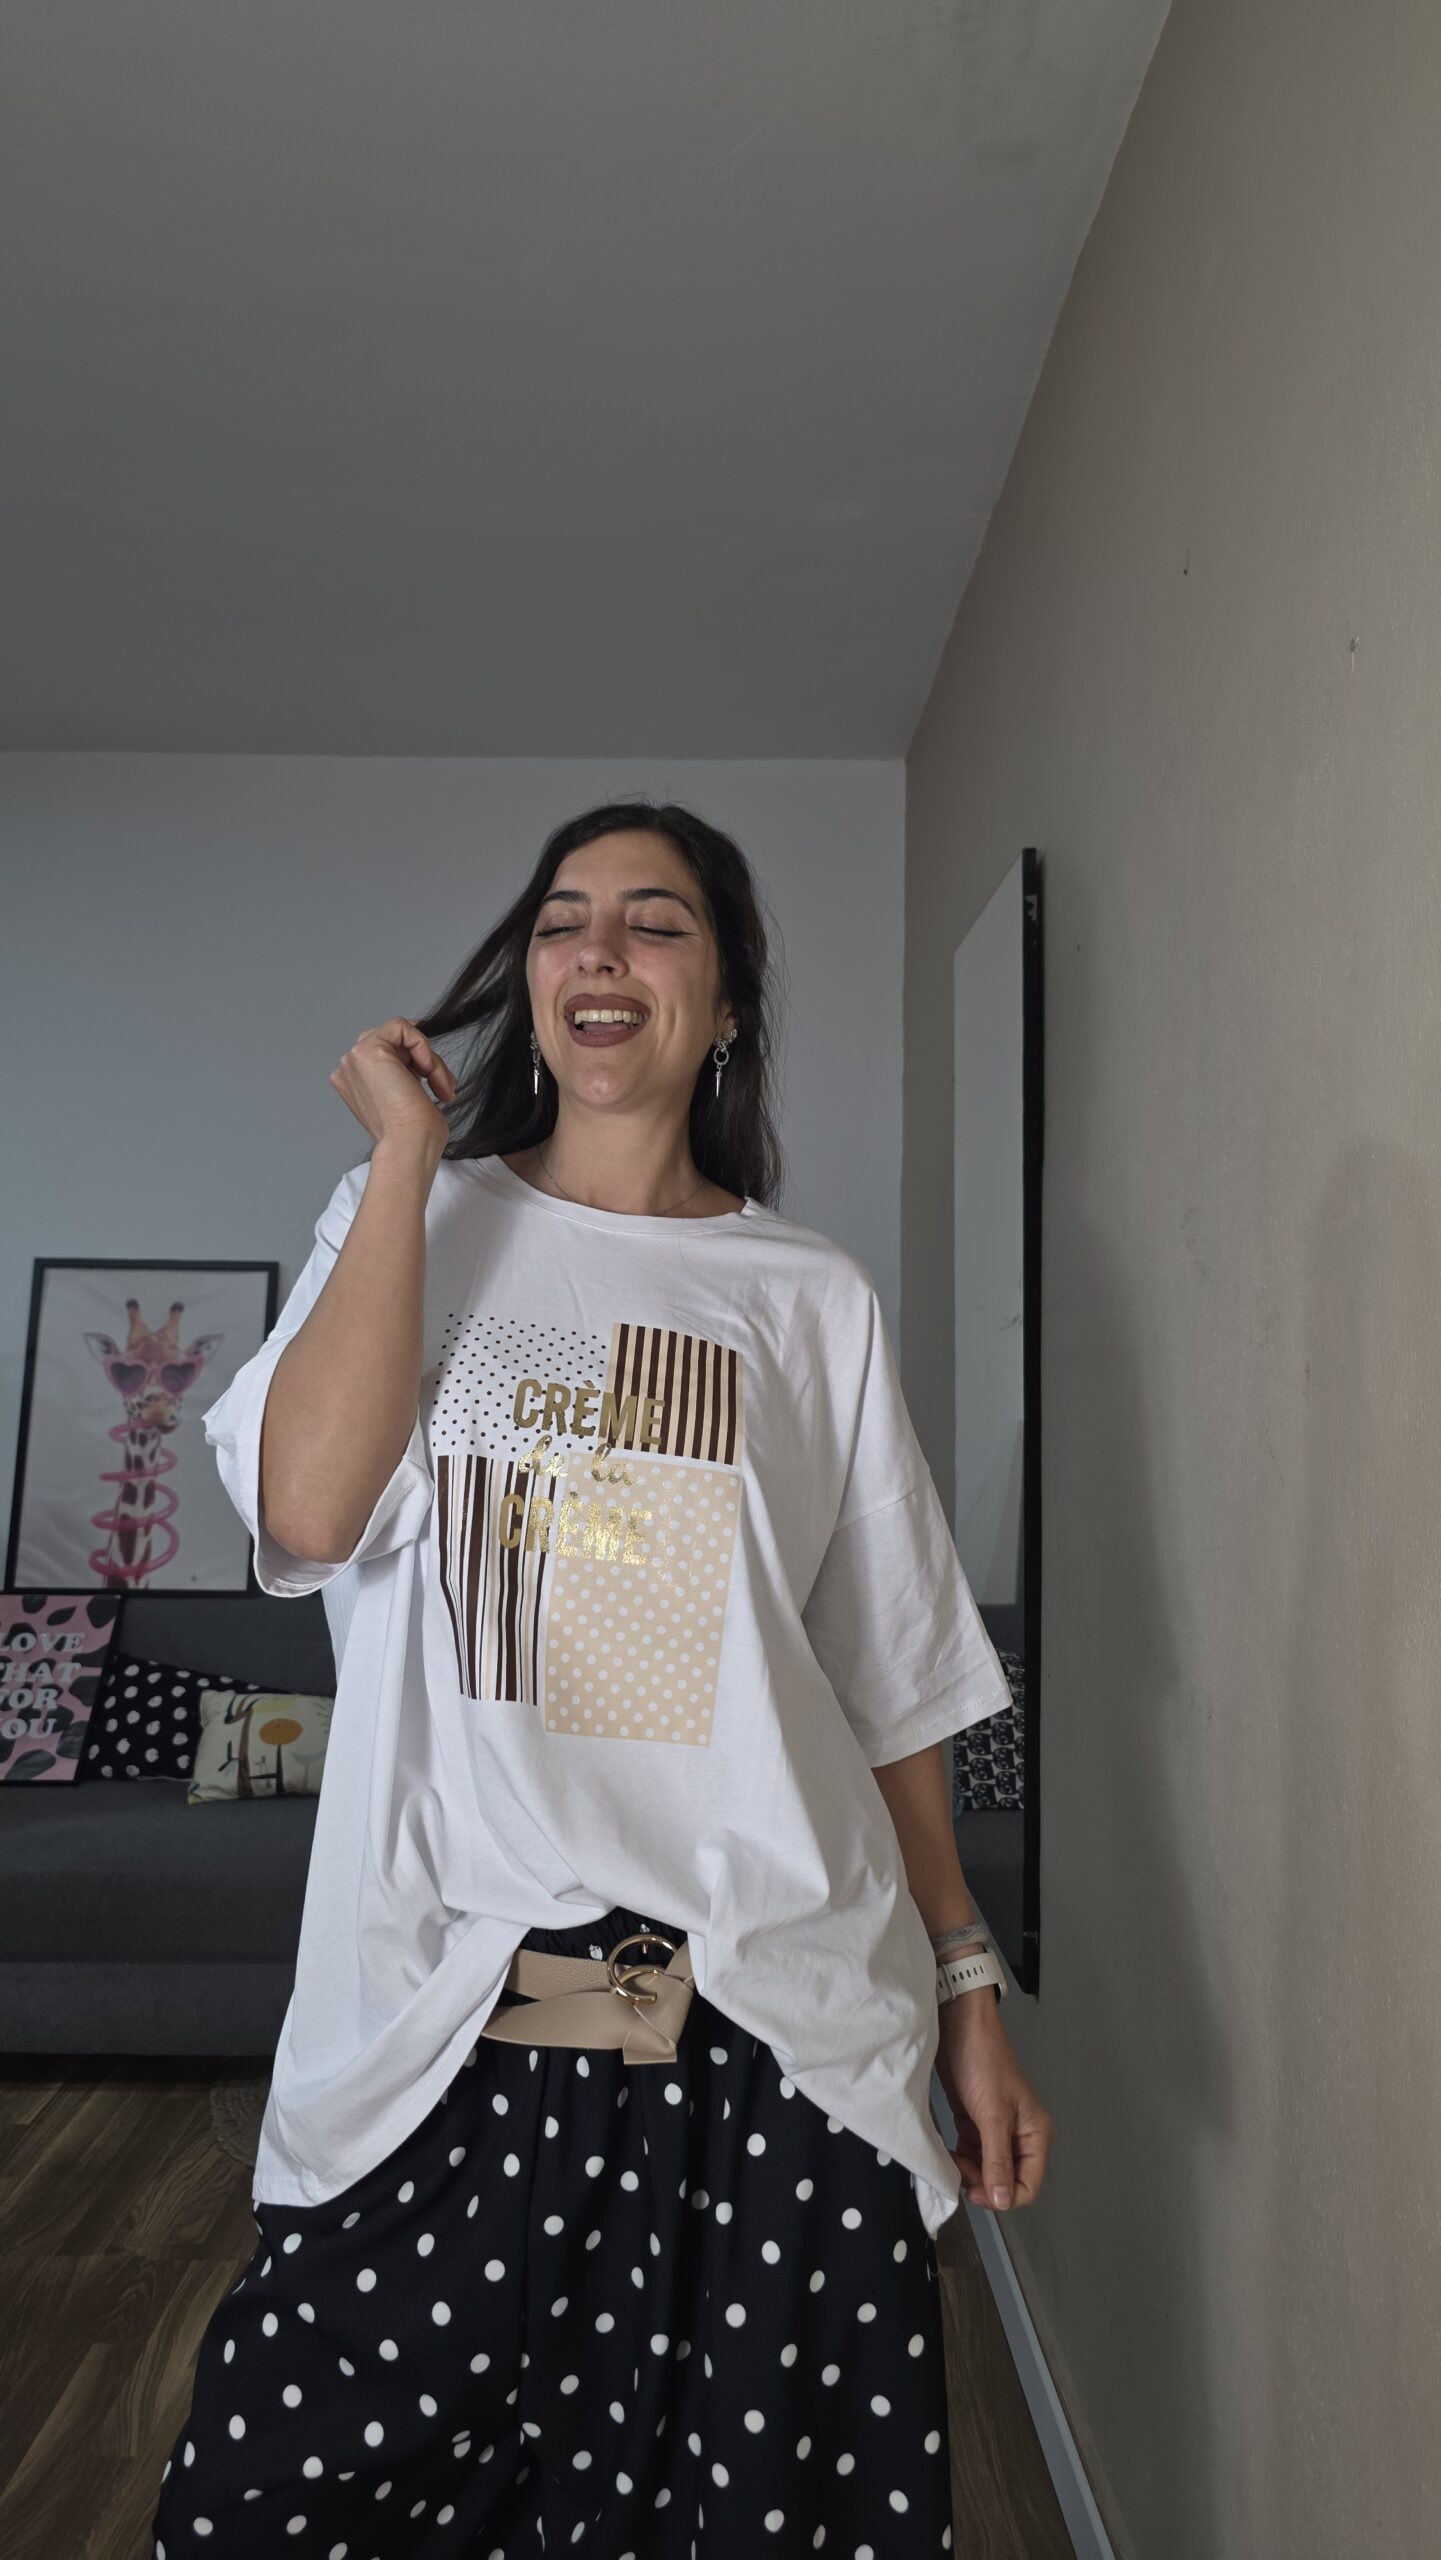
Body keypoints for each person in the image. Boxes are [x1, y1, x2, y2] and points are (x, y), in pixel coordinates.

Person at [151, 798, 1053, 2559]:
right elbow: (309, 1511)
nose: (599, 949)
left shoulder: (806, 1298)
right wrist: (405, 1158)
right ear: (532, 979)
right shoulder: (404, 1218)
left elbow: (883, 1686)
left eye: (656, 920)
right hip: (449, 2027)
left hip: (774, 2033)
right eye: (563, 918)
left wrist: (966, 1987)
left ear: (725, 1005)